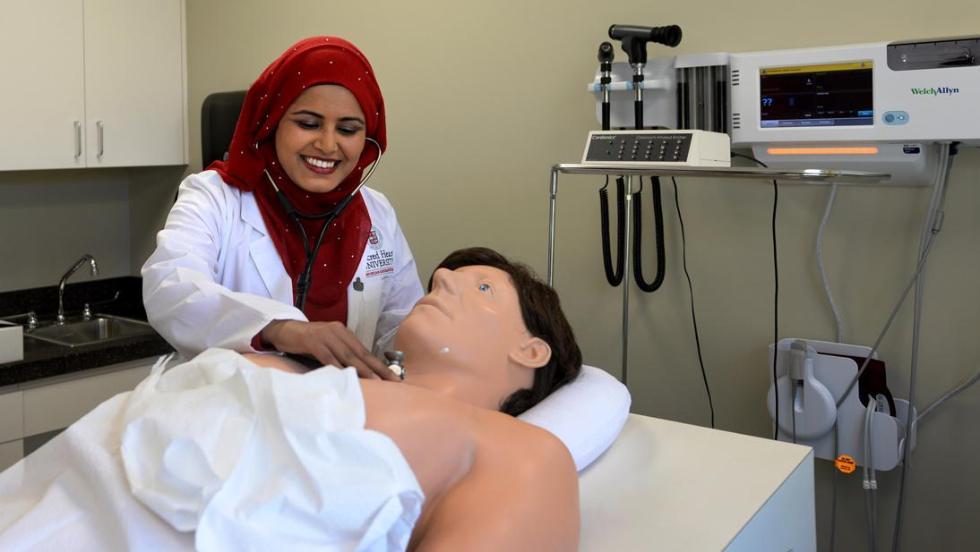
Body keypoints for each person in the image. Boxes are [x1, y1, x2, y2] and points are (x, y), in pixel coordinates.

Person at [0, 247, 581, 550]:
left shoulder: (521, 451)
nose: (444, 280)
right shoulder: (307, 372)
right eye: (438, 282)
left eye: (482, 288)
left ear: (531, 352)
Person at [143, 36, 422, 379]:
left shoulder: (377, 213)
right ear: (272, 121)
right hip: (231, 414)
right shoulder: (214, 197)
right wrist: (281, 328)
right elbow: (171, 289)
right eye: (308, 123)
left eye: (348, 129)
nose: (328, 144)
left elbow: (403, 326)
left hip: (343, 420)